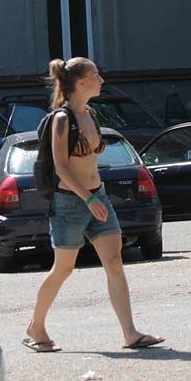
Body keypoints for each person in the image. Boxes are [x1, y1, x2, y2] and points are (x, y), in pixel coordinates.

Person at [23, 57, 164, 352]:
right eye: (96, 75)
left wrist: (94, 194)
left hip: (97, 196)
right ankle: (36, 326)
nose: (101, 80)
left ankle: (130, 334)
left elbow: (90, 156)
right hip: (71, 202)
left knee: (114, 262)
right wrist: (87, 199)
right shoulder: (62, 120)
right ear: (81, 82)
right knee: (63, 268)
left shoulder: (91, 114)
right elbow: (61, 167)